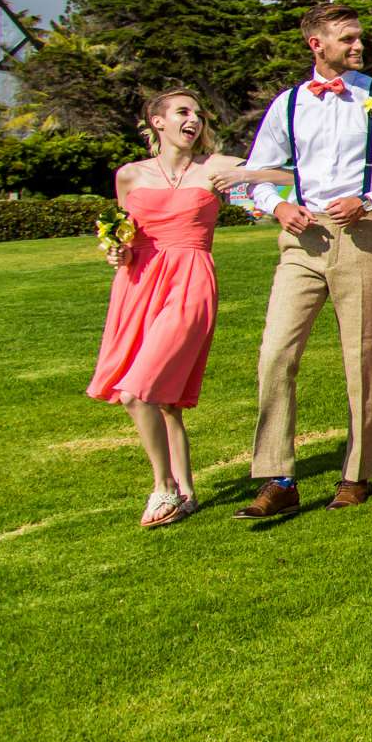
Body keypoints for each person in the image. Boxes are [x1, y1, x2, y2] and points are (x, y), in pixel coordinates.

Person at [233, 4, 372, 520]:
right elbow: (259, 173)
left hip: (363, 234)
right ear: (315, 44)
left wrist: (371, 200)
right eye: (347, 38)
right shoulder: (289, 104)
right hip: (302, 241)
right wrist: (276, 205)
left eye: (359, 37)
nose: (358, 45)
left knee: (360, 359)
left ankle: (357, 473)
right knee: (276, 352)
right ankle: (277, 476)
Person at [87, 90, 289, 528]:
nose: (193, 119)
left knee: (137, 392)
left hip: (191, 280)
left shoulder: (214, 167)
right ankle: (188, 490)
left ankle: (163, 490)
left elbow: (288, 174)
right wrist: (116, 252)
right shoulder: (129, 176)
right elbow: (125, 232)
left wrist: (246, 177)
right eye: (183, 112)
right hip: (137, 284)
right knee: (165, 403)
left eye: (198, 113)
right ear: (157, 122)